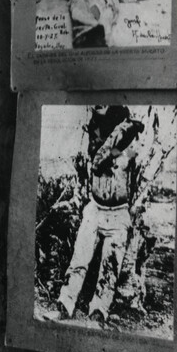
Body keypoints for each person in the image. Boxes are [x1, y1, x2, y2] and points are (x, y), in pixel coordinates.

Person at [45, 106, 145, 322]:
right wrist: (112, 144)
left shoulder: (131, 145)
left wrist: (120, 142)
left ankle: (98, 313)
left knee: (110, 268)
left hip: (118, 214)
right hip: (95, 209)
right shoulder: (96, 141)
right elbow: (97, 161)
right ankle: (64, 305)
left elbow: (130, 157)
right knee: (79, 259)